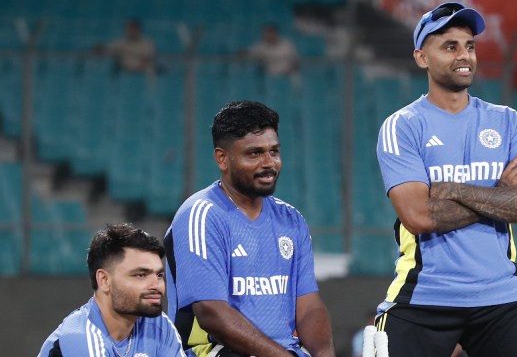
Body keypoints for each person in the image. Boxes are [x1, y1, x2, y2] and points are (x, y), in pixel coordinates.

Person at [374, 2, 517, 357]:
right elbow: (419, 217)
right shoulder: (403, 126)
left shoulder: (507, 121)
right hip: (425, 296)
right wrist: (499, 197)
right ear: (422, 58)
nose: (464, 55)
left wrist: (454, 191)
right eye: (449, 46)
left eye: (469, 46)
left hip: (499, 297)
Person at [164, 101, 335, 357]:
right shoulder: (201, 215)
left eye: (274, 152)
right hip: (217, 351)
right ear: (222, 158)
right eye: (254, 154)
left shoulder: (291, 220)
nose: (269, 163)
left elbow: (309, 307)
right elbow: (211, 313)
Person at [38, 223, 186, 356]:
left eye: (159, 275)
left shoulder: (159, 326)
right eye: (141, 275)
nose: (157, 285)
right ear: (104, 280)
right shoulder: (81, 337)